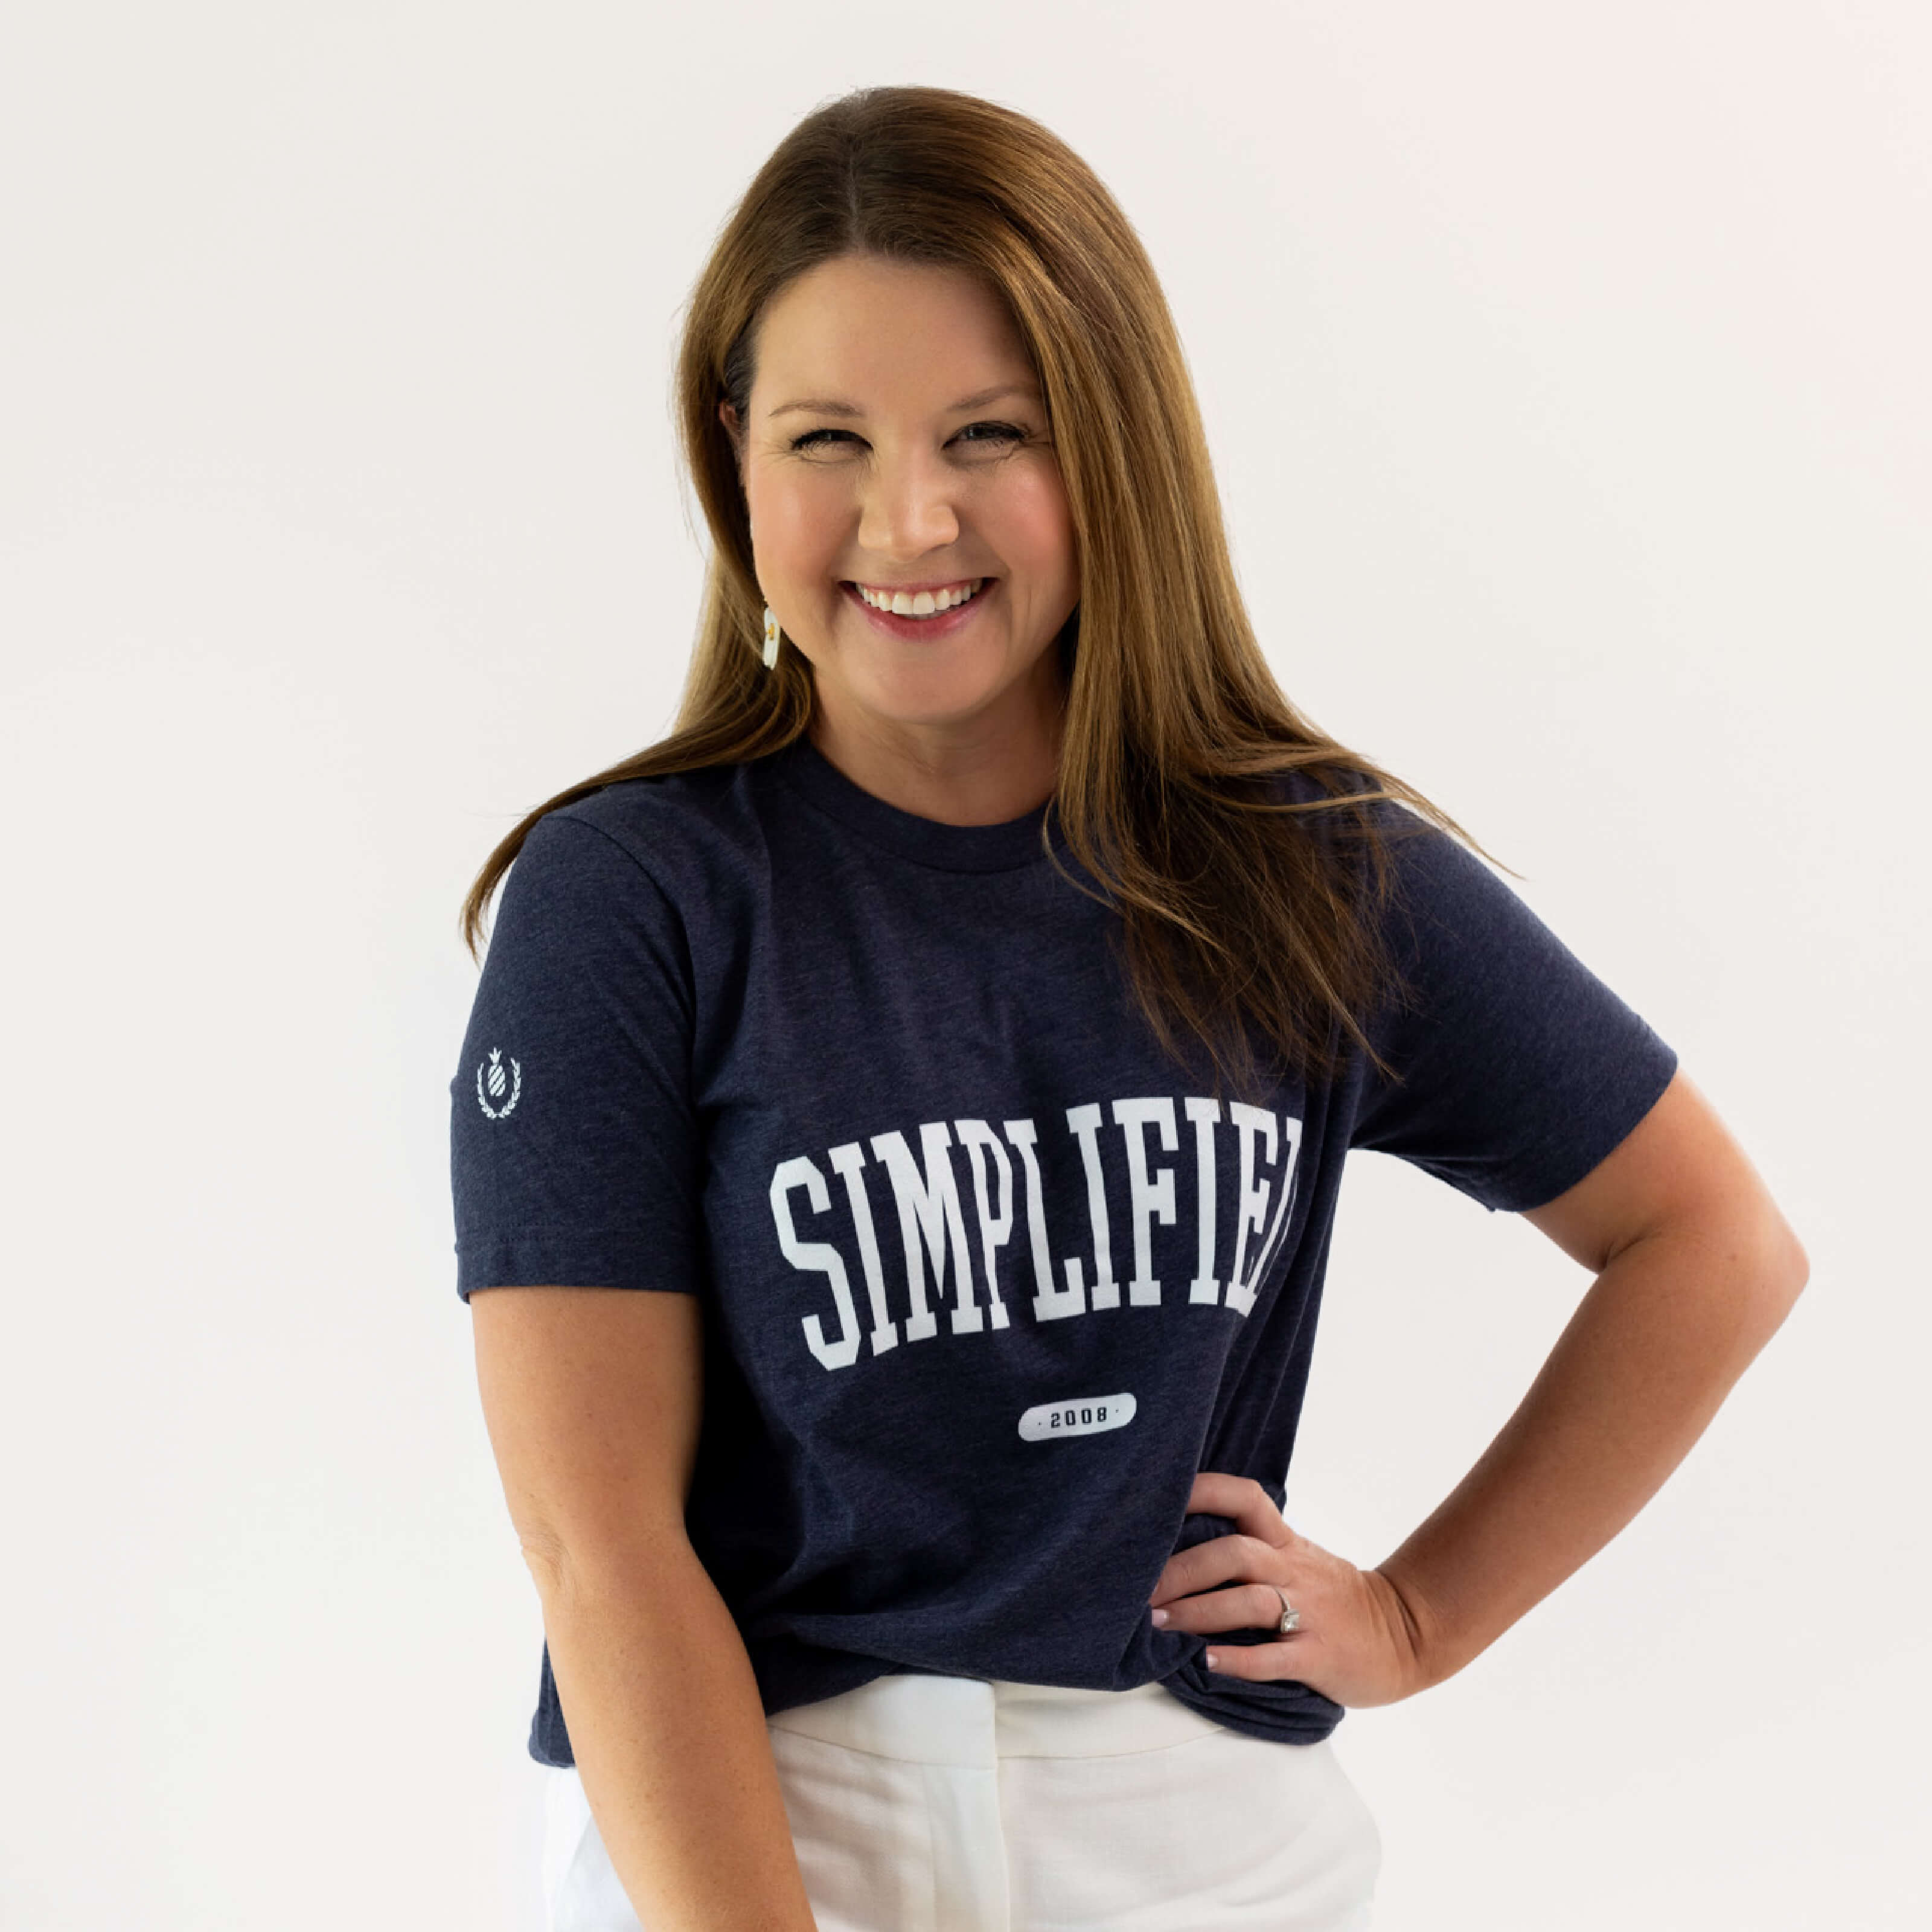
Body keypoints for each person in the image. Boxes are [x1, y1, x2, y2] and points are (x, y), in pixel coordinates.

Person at [449, 85, 1808, 1932]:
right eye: (827, 435)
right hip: (755, 1814)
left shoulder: (1302, 867)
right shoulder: (638, 899)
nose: (907, 517)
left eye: (989, 434)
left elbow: (1711, 1240)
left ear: (1114, 450)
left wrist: (1411, 1616)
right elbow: (599, 1554)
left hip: (1191, 1826)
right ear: (733, 455)